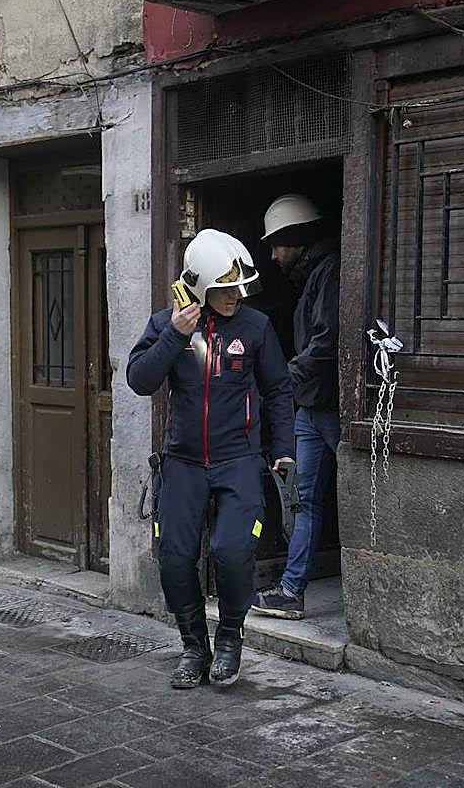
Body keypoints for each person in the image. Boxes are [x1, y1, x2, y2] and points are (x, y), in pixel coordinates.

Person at [127, 229, 295, 688]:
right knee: (176, 556)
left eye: (240, 287)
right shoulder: (167, 324)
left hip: (238, 458)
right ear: (199, 286)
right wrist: (175, 338)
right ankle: (193, 646)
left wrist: (283, 450)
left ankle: (229, 639)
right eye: (224, 288)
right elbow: (140, 380)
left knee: (233, 550)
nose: (235, 296)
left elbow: (278, 389)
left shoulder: (256, 328)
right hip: (182, 461)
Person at [251, 193, 340, 621]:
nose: (272, 255)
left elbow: (327, 341)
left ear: (296, 238)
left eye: (276, 245)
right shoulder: (313, 276)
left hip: (330, 407)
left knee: (327, 498)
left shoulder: (330, 272)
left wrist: (286, 378)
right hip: (311, 407)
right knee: (304, 500)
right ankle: (291, 590)